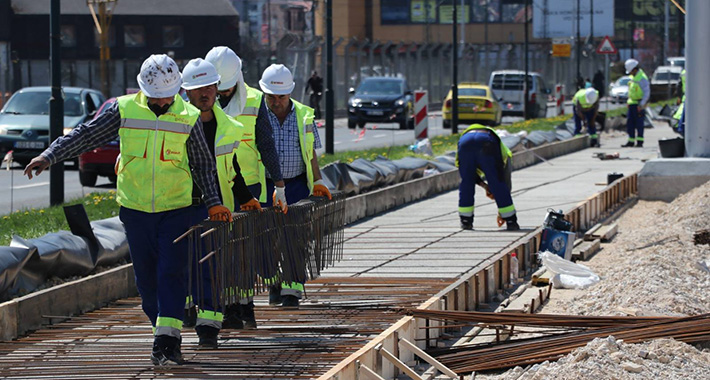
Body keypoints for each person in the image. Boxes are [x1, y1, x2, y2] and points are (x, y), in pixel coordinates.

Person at [22, 54, 232, 366]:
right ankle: (161, 331)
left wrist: (213, 202)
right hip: (135, 211)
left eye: (167, 97)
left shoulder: (188, 117)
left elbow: (203, 165)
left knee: (171, 273)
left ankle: (167, 344)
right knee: (147, 282)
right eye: (156, 97)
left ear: (176, 91)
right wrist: (50, 156)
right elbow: (85, 134)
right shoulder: (123, 109)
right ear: (144, 90)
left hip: (177, 209)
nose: (162, 103)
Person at [180, 58, 262, 348]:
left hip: (219, 208)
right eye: (198, 88)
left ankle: (209, 328)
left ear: (217, 88)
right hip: (181, 205)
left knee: (214, 268)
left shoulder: (228, 124)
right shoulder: (175, 123)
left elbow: (233, 168)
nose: (205, 93)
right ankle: (187, 313)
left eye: (210, 87)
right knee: (186, 266)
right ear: (186, 92)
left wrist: (247, 198)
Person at [205, 46, 286, 329]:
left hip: (248, 189)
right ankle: (225, 307)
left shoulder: (254, 100)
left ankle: (244, 307)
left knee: (243, 254)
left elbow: (266, 144)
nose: (222, 94)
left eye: (226, 89)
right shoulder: (198, 97)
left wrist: (279, 184)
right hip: (212, 188)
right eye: (219, 88)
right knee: (217, 252)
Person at [259, 64, 332, 308]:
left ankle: (292, 290)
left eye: (280, 96)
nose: (275, 102)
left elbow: (309, 151)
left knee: (295, 237)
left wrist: (318, 180)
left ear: (290, 93)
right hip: (266, 185)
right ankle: (273, 283)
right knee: (268, 238)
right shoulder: (257, 115)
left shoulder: (304, 115)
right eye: (271, 96)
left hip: (297, 184)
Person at [456, 124, 519, 231]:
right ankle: (510, 221)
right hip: (486, 141)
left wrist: (485, 186)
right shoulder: (506, 155)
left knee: (466, 182)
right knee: (497, 183)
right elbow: (503, 181)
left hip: (465, 141)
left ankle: (466, 221)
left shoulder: (467, 138)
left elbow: (468, 174)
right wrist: (502, 209)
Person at [622, 58, 650, 147]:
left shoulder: (642, 78)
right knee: (630, 123)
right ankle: (631, 140)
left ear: (634, 69)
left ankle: (640, 141)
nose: (630, 73)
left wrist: (641, 104)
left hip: (639, 104)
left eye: (630, 71)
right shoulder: (632, 78)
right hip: (632, 103)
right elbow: (631, 91)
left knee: (639, 123)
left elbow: (646, 92)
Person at [673, 68, 686, 136]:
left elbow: (679, 86)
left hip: (685, 98)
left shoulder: (683, 72)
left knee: (682, 119)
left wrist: (679, 97)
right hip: (692, 98)